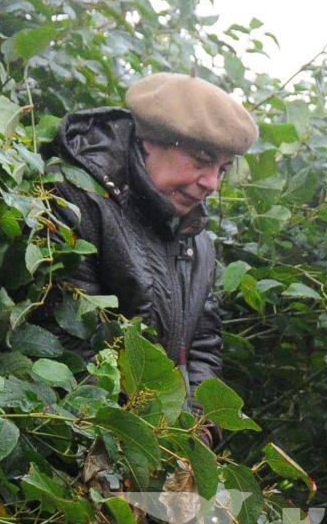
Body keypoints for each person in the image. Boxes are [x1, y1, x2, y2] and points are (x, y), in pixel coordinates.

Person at [45, 73, 256, 388]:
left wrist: (199, 426)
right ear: (150, 141)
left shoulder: (195, 237)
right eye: (201, 161)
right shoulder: (75, 200)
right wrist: (144, 430)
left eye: (221, 170)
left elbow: (203, 341)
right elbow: (68, 343)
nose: (212, 184)